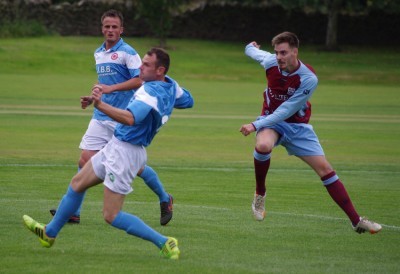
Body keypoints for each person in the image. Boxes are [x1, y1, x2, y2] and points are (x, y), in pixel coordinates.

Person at [23, 47, 194, 259]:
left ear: (160, 70)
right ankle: (49, 233)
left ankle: (164, 242)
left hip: (126, 153)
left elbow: (131, 118)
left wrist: (100, 105)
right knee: (78, 183)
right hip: (117, 145)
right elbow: (189, 100)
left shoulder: (149, 93)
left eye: (146, 65)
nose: (140, 67)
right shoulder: (170, 85)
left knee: (111, 216)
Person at [239, 31, 382, 234]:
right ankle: (260, 194)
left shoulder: (308, 78)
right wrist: (251, 47)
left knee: (325, 170)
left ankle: (356, 220)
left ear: (295, 52)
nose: (278, 57)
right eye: (276, 52)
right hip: (272, 123)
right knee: (263, 145)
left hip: (298, 127)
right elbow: (251, 51)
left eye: (283, 52)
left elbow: (287, 110)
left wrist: (254, 124)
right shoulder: (270, 61)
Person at [50, 9, 174, 226]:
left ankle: (165, 197)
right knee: (84, 158)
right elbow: (105, 84)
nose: (110, 30)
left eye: (114, 27)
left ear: (121, 29)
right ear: (102, 28)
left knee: (135, 167)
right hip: (101, 114)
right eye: (107, 26)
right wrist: (94, 98)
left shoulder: (128, 52)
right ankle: (74, 212)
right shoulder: (99, 52)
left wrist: (109, 89)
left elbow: (139, 80)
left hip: (122, 117)